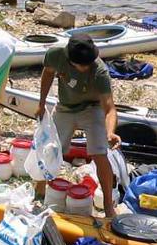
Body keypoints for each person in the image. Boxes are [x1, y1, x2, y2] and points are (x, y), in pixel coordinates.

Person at [35, 34, 121, 214]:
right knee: (51, 149)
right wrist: (41, 103)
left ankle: (107, 206)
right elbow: (48, 73)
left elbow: (109, 108)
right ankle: (39, 190)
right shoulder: (55, 55)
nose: (85, 68)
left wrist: (110, 132)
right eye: (80, 65)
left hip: (92, 108)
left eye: (87, 64)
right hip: (65, 107)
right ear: (69, 58)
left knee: (99, 153)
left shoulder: (100, 71)